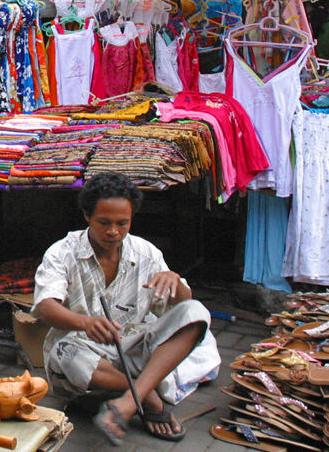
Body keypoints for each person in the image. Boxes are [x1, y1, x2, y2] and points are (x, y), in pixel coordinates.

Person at [33, 173, 210, 444]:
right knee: (63, 351)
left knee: (197, 312)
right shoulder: (62, 253)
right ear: (86, 216)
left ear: (132, 219)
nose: (113, 231)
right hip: (84, 354)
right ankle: (148, 397)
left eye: (122, 223)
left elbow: (183, 307)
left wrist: (175, 281)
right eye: (104, 222)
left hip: (134, 350)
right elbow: (45, 307)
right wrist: (85, 323)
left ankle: (127, 401)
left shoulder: (146, 253)